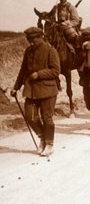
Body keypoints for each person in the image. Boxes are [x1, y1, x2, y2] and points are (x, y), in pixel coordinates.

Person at [10, 27, 61, 156]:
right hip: (31, 90)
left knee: (46, 117)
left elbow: (56, 71)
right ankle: (42, 137)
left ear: (41, 37)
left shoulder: (50, 50)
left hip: (48, 90)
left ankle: (49, 144)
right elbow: (23, 71)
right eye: (29, 40)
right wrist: (16, 87)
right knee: (30, 116)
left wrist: (39, 74)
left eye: (33, 40)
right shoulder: (28, 51)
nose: (31, 42)